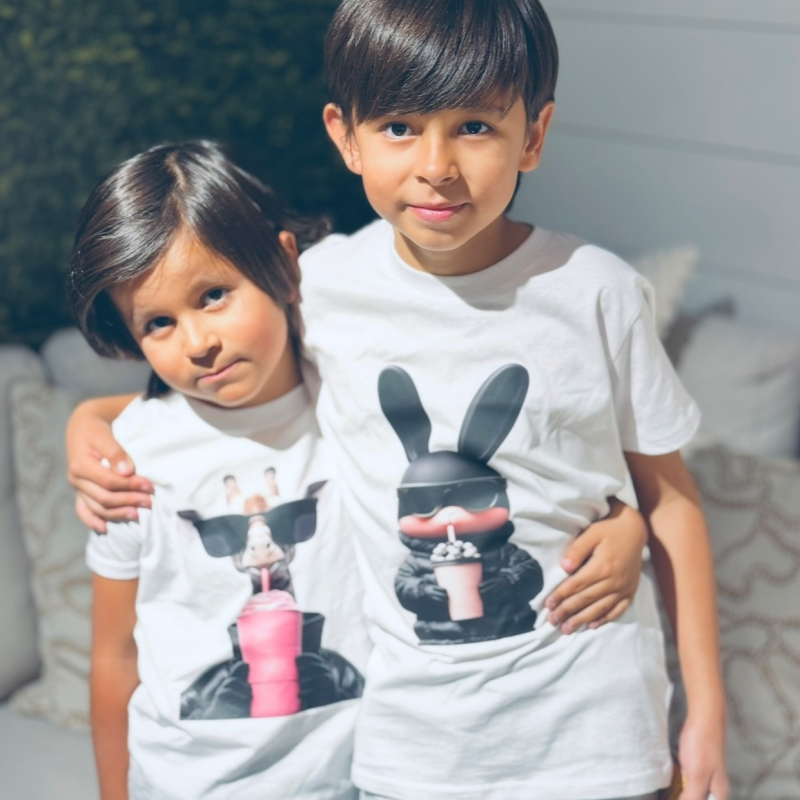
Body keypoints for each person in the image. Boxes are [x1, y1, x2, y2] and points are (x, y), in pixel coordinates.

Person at [66, 1, 728, 798]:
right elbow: (221, 375)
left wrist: (705, 718)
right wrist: (90, 419)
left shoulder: (598, 294)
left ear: (534, 134)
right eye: (399, 128)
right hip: (411, 755)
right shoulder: (319, 288)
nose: (436, 166)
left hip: (595, 739)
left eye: (475, 127)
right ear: (346, 136)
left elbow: (670, 500)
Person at [68, 141, 370, 800]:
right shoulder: (130, 461)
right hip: (186, 784)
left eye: (213, 295)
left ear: (284, 265)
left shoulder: (354, 399)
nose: (199, 342)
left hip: (359, 778)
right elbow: (115, 654)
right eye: (158, 322)